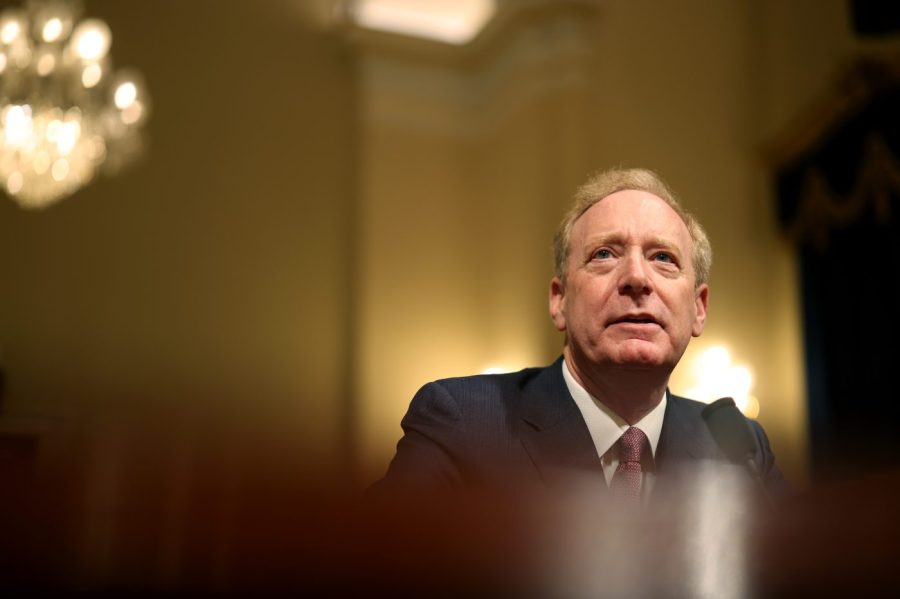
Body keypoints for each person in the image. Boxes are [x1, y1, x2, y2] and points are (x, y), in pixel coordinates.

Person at [375, 167, 787, 504]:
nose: (636, 278)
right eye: (604, 254)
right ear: (559, 300)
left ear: (699, 308)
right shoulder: (463, 423)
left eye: (663, 258)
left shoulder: (737, 447)